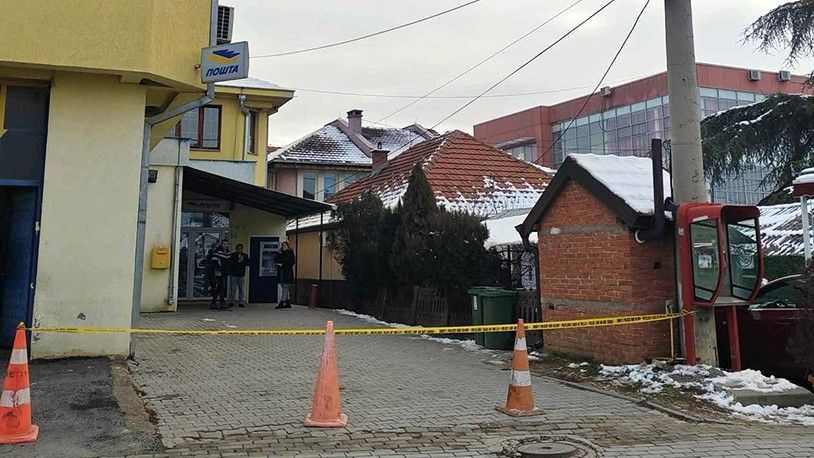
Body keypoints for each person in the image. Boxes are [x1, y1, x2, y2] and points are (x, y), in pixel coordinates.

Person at [210, 239, 231, 310]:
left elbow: (229, 263)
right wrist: (221, 269)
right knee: (220, 287)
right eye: (224, 244)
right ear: (221, 244)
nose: (225, 245)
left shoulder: (228, 252)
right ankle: (217, 302)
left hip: (225, 273)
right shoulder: (217, 251)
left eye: (226, 244)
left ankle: (218, 303)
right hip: (219, 272)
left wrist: (228, 270)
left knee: (222, 287)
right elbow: (214, 262)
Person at [228, 243, 250, 308]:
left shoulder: (245, 255)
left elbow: (248, 263)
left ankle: (241, 302)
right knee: (233, 289)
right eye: (238, 248)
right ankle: (231, 302)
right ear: (236, 249)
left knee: (241, 289)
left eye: (241, 248)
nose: (239, 249)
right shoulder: (232, 255)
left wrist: (242, 261)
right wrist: (238, 261)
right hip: (233, 274)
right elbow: (231, 263)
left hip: (241, 275)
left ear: (242, 249)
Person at [275, 241, 296, 309]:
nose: (283, 247)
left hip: (287, 272)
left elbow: (292, 262)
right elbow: (275, 260)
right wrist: (278, 254)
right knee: (284, 286)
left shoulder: (290, 253)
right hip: (281, 272)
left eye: (285, 245)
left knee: (285, 286)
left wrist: (283, 264)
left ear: (287, 246)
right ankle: (287, 301)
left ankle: (282, 301)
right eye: (283, 245)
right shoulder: (281, 253)